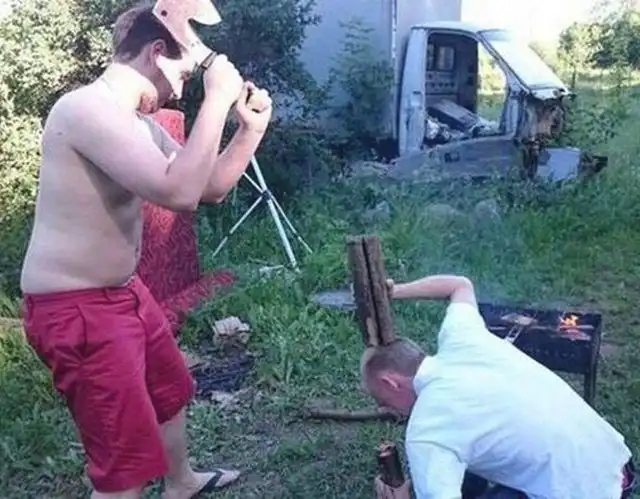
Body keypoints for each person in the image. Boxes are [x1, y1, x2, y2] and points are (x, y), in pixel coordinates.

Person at [19, 3, 272, 498]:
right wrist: (217, 97)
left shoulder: (137, 125)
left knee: (168, 389)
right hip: (77, 309)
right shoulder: (84, 110)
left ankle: (181, 482)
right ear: (157, 52)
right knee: (124, 466)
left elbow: (209, 188)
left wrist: (249, 130)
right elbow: (177, 193)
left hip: (122, 292)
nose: (181, 88)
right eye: (184, 74)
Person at [361, 275, 635, 499]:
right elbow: (459, 285)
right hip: (617, 465)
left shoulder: (427, 430)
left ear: (390, 382)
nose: (386, 409)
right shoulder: (462, 338)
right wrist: (394, 291)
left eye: (381, 399)